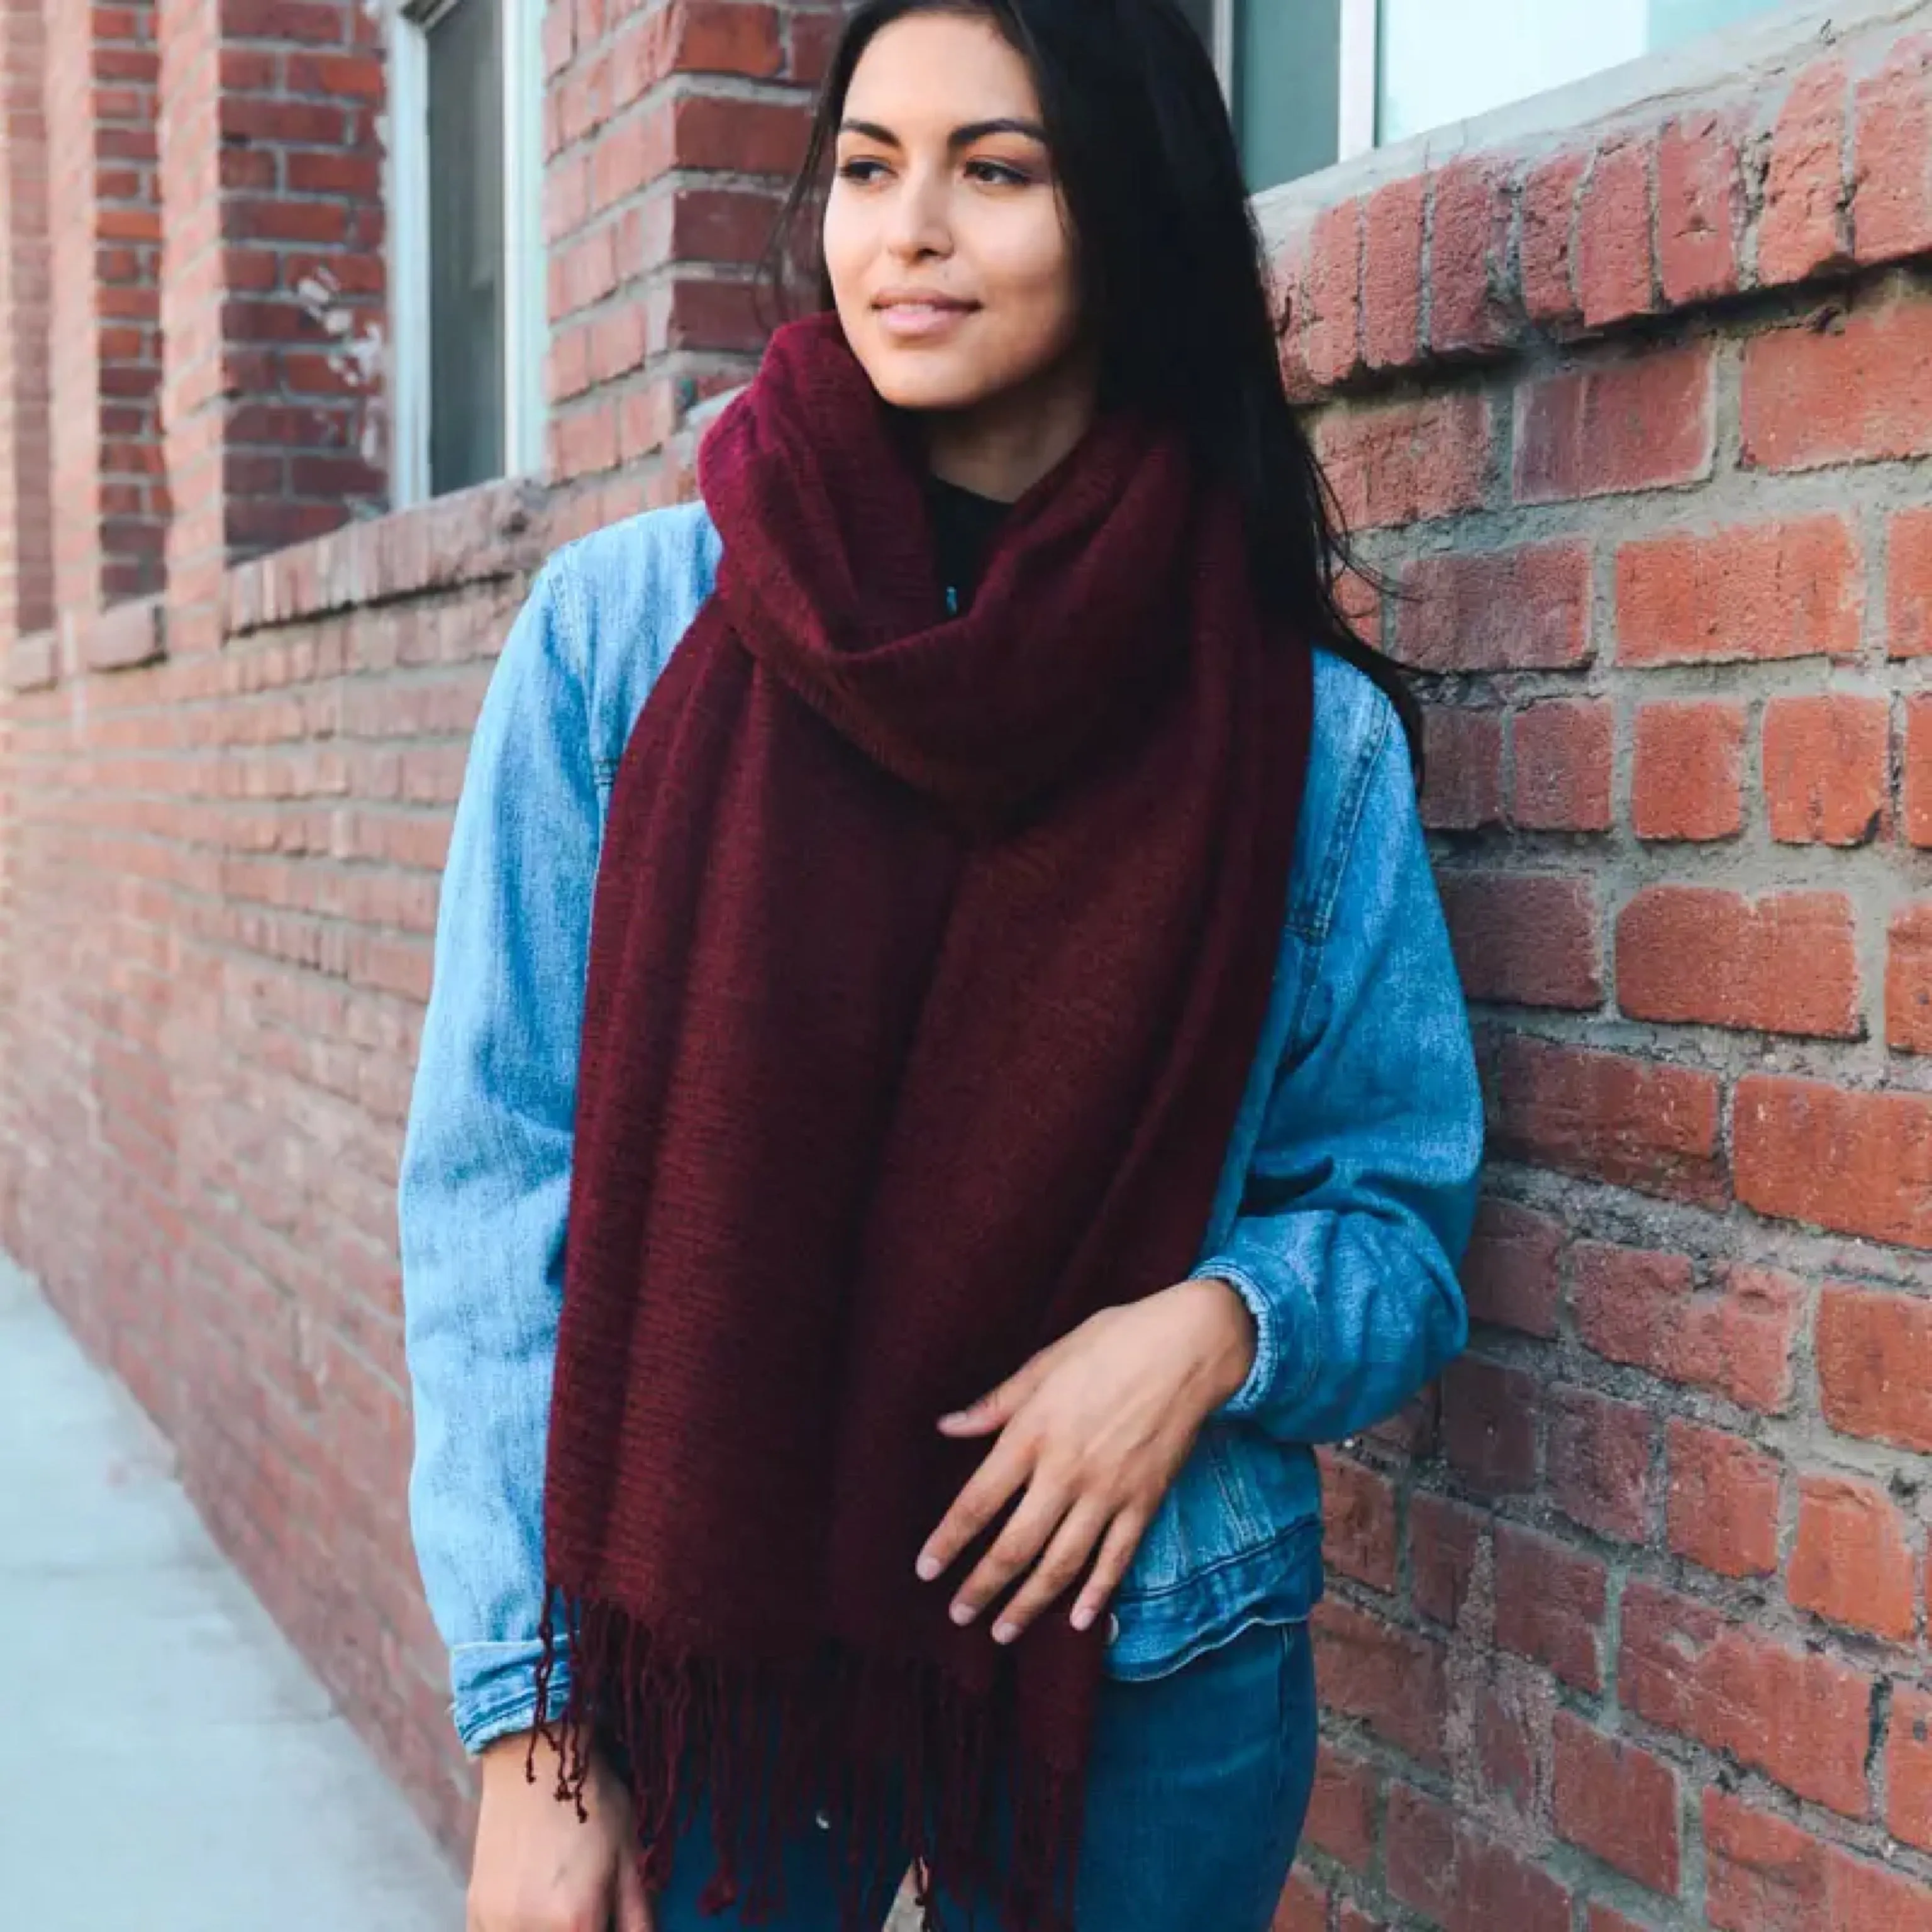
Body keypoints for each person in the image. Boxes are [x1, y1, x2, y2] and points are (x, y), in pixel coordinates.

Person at [398, 3, 1482, 1929]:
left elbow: (1399, 1219)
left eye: (996, 170)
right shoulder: (628, 642)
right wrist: (531, 1732)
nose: (908, 229)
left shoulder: (1294, 733)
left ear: (1126, 213)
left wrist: (1215, 1326)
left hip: (1146, 1638)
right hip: (712, 1657)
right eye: (872, 169)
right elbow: (498, 1191)